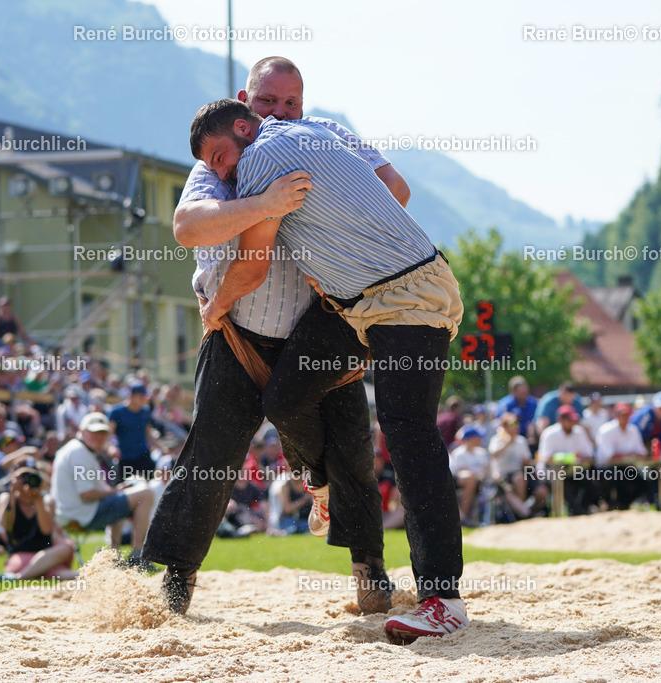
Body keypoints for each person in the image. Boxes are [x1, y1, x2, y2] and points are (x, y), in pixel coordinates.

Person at [190, 95, 468, 642]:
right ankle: (322, 488)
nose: (223, 173)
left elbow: (250, 264)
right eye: (214, 167)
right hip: (381, 299)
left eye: (221, 157)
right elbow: (394, 187)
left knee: (410, 437)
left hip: (401, 300)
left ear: (245, 127)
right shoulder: (317, 131)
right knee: (288, 399)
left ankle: (443, 598)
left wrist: (213, 307)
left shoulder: (260, 162)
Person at [144, 57, 396, 620]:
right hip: (236, 334)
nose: (279, 114)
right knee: (210, 457)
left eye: (291, 104)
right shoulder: (220, 160)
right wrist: (266, 204)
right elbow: (187, 228)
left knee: (353, 449)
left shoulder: (323, 138)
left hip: (317, 326)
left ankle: (370, 576)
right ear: (243, 106)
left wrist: (338, 209)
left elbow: (394, 193)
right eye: (267, 103)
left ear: (303, 107)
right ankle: (174, 582)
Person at [51, 412, 153, 564]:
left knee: (121, 502)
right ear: (82, 431)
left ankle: (114, 556)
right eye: (93, 432)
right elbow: (86, 493)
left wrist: (116, 491)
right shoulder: (80, 452)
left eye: (103, 433)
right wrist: (114, 491)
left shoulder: (76, 449)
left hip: (74, 511)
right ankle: (137, 556)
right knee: (146, 494)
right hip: (81, 514)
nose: (98, 437)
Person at [0, 467, 78, 580]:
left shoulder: (46, 500)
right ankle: (34, 572)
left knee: (67, 546)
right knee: (56, 570)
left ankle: (20, 576)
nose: (27, 481)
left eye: (30, 477)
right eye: (22, 477)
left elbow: (46, 530)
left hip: (46, 553)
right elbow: (6, 526)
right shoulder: (6, 498)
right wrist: (12, 493)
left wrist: (37, 498)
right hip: (21, 555)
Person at [537, 405, 595, 515]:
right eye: (569, 420)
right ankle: (576, 511)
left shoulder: (579, 431)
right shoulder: (549, 433)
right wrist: (571, 456)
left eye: (573, 420)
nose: (572, 422)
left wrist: (577, 457)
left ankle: (582, 509)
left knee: (592, 482)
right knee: (561, 482)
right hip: (551, 472)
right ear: (560, 420)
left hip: (573, 471)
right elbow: (546, 458)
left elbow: (589, 454)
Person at [108, 381, 166, 479]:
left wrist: (162, 447)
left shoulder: (145, 411)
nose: (143, 400)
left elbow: (148, 433)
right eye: (140, 397)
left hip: (143, 456)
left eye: (144, 397)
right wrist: (111, 448)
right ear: (131, 396)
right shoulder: (116, 412)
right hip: (125, 458)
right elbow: (109, 434)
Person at [594, 403, 647, 510]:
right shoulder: (606, 430)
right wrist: (631, 454)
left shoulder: (633, 430)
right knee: (616, 477)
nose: (624, 418)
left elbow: (642, 453)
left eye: (626, 415)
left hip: (624, 467)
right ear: (616, 416)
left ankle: (623, 504)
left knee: (645, 482)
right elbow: (610, 457)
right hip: (605, 468)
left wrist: (628, 455)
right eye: (621, 415)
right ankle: (611, 504)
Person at [449, 425, 489, 525]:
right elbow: (459, 472)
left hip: (482, 481)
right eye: (477, 437)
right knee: (470, 478)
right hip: (462, 482)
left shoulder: (482, 452)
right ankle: (463, 517)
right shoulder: (459, 453)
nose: (480, 439)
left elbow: (487, 470)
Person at [495, 376, 537, 440]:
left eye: (525, 392)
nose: (524, 396)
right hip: (511, 437)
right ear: (512, 392)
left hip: (531, 437)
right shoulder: (506, 404)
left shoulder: (533, 403)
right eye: (521, 393)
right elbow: (503, 423)